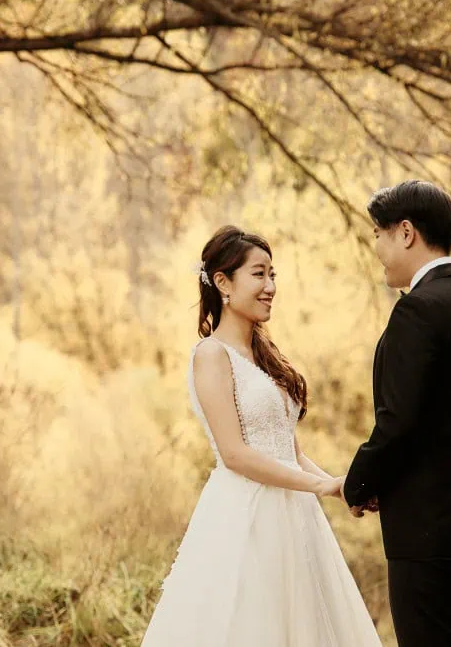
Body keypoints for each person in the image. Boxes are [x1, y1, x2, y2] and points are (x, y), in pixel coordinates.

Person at [142, 225, 381, 647]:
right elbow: (235, 455)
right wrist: (320, 486)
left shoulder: (265, 359)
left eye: (273, 275)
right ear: (222, 283)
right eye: (258, 274)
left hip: (295, 519)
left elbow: (291, 453)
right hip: (245, 518)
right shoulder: (211, 355)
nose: (270, 286)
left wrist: (342, 486)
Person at [343, 180, 451, 647]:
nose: (376, 246)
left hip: (425, 533)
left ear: (407, 232)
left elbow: (398, 421)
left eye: (378, 233)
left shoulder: (418, 310)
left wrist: (361, 483)